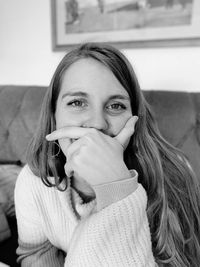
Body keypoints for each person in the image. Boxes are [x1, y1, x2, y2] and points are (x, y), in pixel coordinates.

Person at [14, 42, 200, 267]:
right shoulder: (33, 181)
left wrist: (116, 190)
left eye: (115, 106)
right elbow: (36, 252)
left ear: (135, 116)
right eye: (77, 102)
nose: (97, 124)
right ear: (54, 115)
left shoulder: (175, 174)